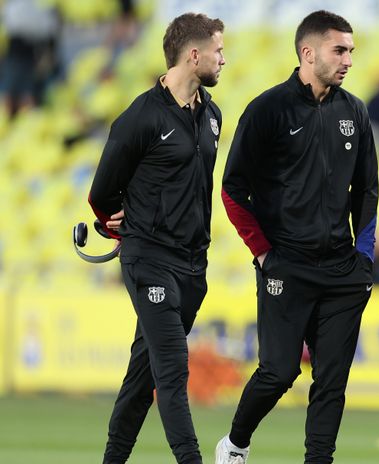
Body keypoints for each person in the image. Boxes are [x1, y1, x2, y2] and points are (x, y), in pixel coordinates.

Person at [216, 10, 378, 464]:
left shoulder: (355, 111)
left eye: (351, 51)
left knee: (332, 380)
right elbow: (232, 189)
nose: (348, 60)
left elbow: (367, 189)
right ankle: (235, 444)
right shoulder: (268, 109)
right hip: (286, 264)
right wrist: (264, 253)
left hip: (343, 269)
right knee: (279, 371)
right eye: (339, 50)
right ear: (308, 53)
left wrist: (362, 256)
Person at [88, 12, 226, 464]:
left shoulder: (213, 117)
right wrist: (120, 222)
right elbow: (102, 193)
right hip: (148, 259)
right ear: (193, 54)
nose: (223, 59)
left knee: (141, 375)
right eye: (218, 51)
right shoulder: (141, 116)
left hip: (192, 267)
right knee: (171, 369)